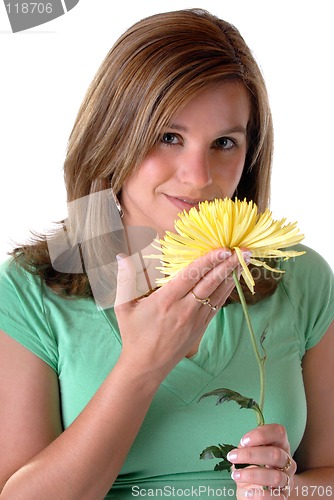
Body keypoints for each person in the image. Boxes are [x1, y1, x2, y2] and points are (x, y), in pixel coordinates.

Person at [0, 8, 333, 499]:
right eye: (168, 137)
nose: (198, 176)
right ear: (114, 135)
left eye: (224, 142)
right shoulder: (29, 289)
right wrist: (144, 362)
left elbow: (326, 478)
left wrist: (292, 491)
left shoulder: (301, 276)